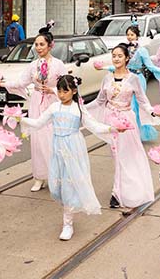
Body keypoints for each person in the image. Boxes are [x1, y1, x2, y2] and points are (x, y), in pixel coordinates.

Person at [20, 75, 123, 241]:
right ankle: (68, 209)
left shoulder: (79, 110)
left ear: (74, 91)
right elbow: (39, 123)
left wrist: (113, 128)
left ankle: (67, 224)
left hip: (73, 149)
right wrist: (20, 118)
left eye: (65, 91)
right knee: (56, 187)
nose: (61, 94)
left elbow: (94, 126)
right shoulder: (54, 108)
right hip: (57, 149)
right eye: (59, 91)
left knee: (69, 187)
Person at [87, 44, 160, 210]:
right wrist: (82, 108)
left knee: (128, 155)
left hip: (127, 122)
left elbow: (143, 101)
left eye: (120, 56)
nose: (116, 58)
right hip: (110, 123)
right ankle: (117, 191)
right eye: (114, 55)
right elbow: (100, 101)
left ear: (127, 58)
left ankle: (122, 191)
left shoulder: (133, 79)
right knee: (116, 157)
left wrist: (153, 112)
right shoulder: (107, 78)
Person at [2, 23, 66, 192]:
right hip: (37, 103)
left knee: (53, 140)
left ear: (50, 45)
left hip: (53, 103)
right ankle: (39, 176)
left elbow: (66, 86)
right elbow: (21, 82)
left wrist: (52, 90)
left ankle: (56, 176)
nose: (38, 48)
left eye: (41, 44)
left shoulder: (58, 64)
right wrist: (3, 83)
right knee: (37, 140)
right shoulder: (33, 65)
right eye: (36, 45)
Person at [98, 23, 160, 142]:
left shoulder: (142, 50)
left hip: (138, 78)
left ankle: (137, 132)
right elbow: (119, 66)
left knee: (137, 106)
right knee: (127, 106)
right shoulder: (125, 49)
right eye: (128, 35)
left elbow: (149, 66)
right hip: (126, 78)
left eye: (132, 34)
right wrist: (104, 67)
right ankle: (126, 131)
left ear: (137, 36)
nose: (130, 37)